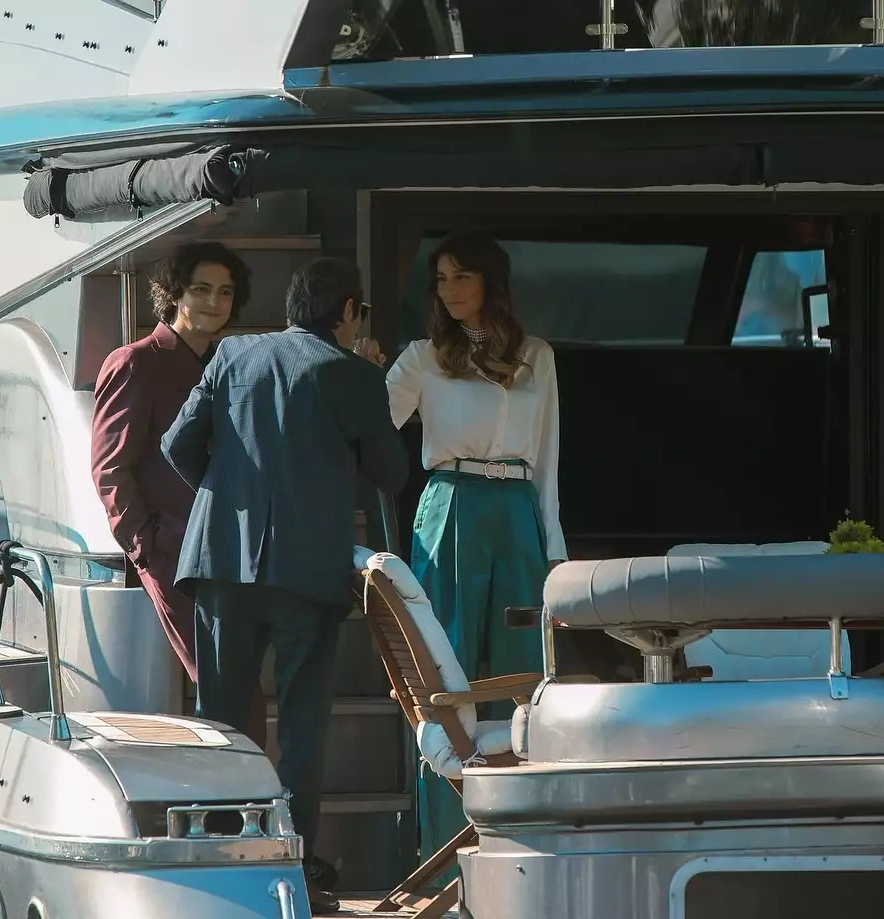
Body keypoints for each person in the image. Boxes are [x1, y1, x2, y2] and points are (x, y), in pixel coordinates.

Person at [162, 256, 408, 914]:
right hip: (306, 574)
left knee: (219, 725)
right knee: (300, 730)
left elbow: (177, 445)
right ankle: (291, 873)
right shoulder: (351, 373)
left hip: (222, 563)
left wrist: (230, 501)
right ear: (348, 312)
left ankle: (217, 868)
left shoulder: (232, 354)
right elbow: (391, 470)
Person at [377, 228, 566, 875]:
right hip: (450, 502)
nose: (450, 290)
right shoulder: (422, 356)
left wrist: (554, 547)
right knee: (444, 669)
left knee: (525, 670)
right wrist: (358, 371)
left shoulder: (536, 355)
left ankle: (525, 841)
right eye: (441, 279)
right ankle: (442, 851)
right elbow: (372, 429)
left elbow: (548, 459)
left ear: (491, 280)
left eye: (463, 275)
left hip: (516, 506)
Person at [90, 241, 267, 743]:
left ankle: (241, 785)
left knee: (235, 690)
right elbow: (109, 468)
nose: (214, 301)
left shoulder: (227, 364)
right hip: (174, 551)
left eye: (225, 292)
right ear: (173, 294)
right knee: (230, 691)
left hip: (230, 553)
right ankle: (243, 788)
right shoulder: (136, 362)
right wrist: (147, 546)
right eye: (201, 289)